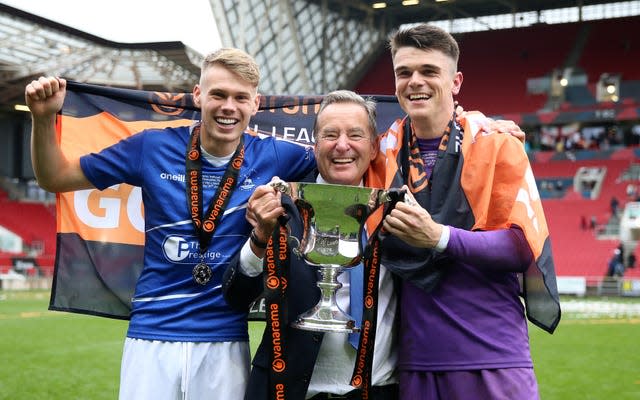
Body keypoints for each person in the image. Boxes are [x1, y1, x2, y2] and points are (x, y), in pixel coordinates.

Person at [25, 48, 316, 400]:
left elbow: (343, 165)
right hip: (151, 338)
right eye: (218, 94)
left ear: (255, 104)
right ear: (198, 96)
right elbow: (55, 177)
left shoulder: (275, 155)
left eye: (240, 97)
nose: (229, 107)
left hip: (224, 339)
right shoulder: (152, 146)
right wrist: (42, 119)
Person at [370, 23, 560, 400]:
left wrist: (438, 237)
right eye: (404, 72)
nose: (415, 82)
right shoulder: (379, 155)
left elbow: (523, 247)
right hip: (414, 363)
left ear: (455, 81)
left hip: (492, 357)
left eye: (429, 71)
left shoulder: (496, 145)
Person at [223, 90, 400, 400]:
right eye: (330, 134)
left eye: (354, 134)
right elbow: (236, 296)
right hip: (289, 391)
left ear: (373, 148)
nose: (342, 145)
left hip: (379, 391)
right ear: (315, 145)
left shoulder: (394, 208)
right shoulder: (281, 205)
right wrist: (260, 239)